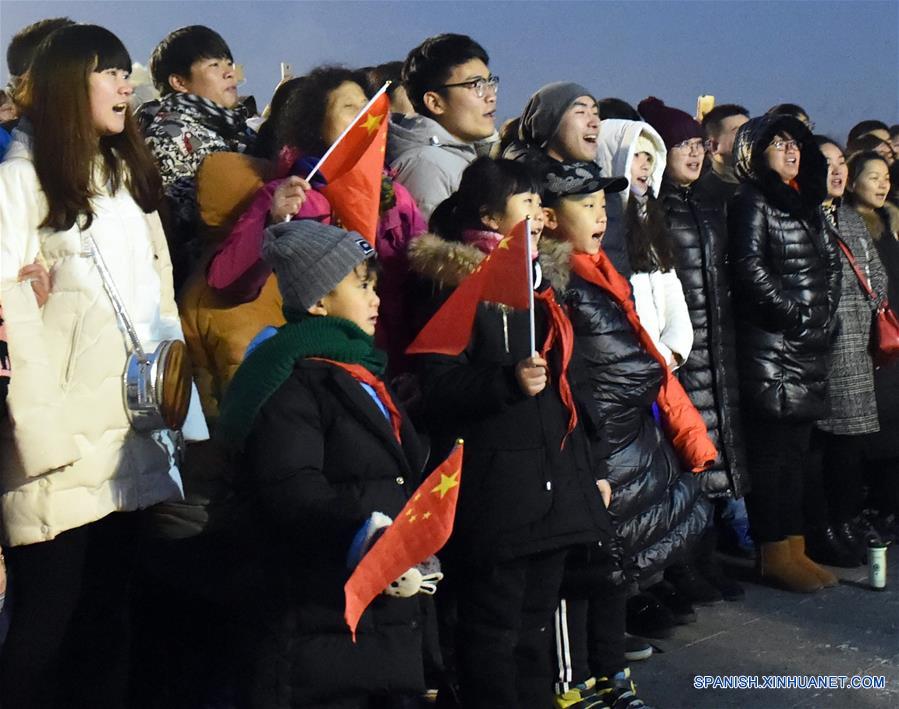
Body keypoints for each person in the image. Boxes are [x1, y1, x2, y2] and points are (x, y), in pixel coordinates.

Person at [0, 24, 207, 708]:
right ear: (66, 86)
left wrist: (181, 416)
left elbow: (160, 306)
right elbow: (9, 320)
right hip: (58, 448)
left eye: (125, 72)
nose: (125, 85)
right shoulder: (20, 181)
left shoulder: (124, 181)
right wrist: (42, 441)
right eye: (109, 72)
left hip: (131, 436)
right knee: (43, 629)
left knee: (109, 624)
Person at [408, 157, 613, 707]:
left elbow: (574, 387)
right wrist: (506, 382)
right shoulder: (457, 285)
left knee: (534, 627)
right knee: (492, 630)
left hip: (553, 485)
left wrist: (592, 469)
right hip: (497, 492)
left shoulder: (546, 286)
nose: (539, 214)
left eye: (539, 203)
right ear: (489, 216)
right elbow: (437, 385)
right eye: (526, 203)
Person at [215, 219, 432, 707]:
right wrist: (364, 535)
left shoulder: (361, 371)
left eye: (374, 285)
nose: (376, 299)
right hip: (322, 617)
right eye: (361, 286)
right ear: (317, 303)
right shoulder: (290, 382)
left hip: (380, 613)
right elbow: (291, 488)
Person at [540, 159, 712, 709]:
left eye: (602, 205)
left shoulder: (602, 272)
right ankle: (574, 683)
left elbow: (643, 361)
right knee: (584, 571)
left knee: (614, 568)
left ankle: (611, 673)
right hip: (593, 443)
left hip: (623, 442)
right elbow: (621, 367)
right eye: (585, 206)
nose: (600, 215)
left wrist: (687, 432)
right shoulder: (556, 282)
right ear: (548, 218)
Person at [206, 65, 427, 374]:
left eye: (368, 108)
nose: (365, 118)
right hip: (323, 365)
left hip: (394, 367)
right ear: (316, 126)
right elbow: (227, 283)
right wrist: (273, 222)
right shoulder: (291, 195)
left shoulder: (396, 195)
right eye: (349, 108)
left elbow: (419, 285)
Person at [639, 96, 751, 600]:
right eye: (680, 144)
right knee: (682, 461)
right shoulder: (655, 207)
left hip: (714, 344)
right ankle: (683, 566)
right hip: (679, 349)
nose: (693, 153)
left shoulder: (707, 204)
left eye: (697, 144)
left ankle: (706, 560)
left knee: (712, 455)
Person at [728, 113, 841, 594]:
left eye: (796, 144)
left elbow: (831, 265)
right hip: (772, 351)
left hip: (807, 348)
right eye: (779, 144)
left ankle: (795, 547)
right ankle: (773, 552)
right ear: (755, 153)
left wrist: (824, 314)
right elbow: (749, 268)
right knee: (772, 458)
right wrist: (795, 315)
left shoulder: (806, 202)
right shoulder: (752, 200)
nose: (792, 151)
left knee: (797, 455)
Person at [803, 143, 889, 570]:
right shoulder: (804, 217)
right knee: (826, 446)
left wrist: (870, 307)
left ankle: (847, 521)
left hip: (858, 346)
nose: (837, 172)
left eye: (841, 163)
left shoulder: (851, 218)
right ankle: (825, 528)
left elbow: (878, 277)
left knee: (851, 447)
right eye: (827, 164)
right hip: (824, 347)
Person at [145, 25, 255, 289]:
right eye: (214, 65)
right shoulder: (168, 134)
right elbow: (180, 227)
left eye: (228, 63)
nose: (229, 72)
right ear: (179, 82)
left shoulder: (238, 131)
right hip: (205, 283)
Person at [596, 118, 693, 370]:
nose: (645, 165)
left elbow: (670, 284)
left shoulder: (650, 217)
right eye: (635, 155)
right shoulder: (602, 224)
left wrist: (675, 348)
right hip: (632, 363)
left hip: (662, 363)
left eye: (649, 157)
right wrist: (652, 355)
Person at [388, 33, 498, 219]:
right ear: (435, 102)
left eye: (490, 82)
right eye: (475, 85)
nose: (491, 96)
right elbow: (427, 237)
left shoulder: (452, 158)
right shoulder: (428, 166)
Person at [695, 104, 750, 209]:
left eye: (750, 130)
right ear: (713, 146)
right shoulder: (704, 196)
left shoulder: (765, 183)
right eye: (739, 132)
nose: (748, 137)